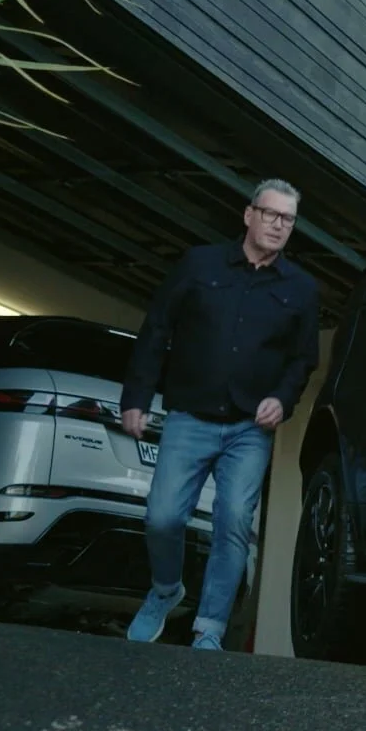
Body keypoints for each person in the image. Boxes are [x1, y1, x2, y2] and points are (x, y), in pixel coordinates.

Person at [119, 179, 321, 650]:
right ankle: (166, 590)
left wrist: (282, 399)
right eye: (270, 214)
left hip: (250, 427)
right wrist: (136, 397)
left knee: (233, 521)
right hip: (190, 415)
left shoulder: (302, 288)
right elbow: (157, 329)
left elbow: (303, 359)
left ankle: (208, 630)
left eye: (287, 219)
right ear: (248, 214)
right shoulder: (199, 263)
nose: (277, 225)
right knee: (163, 518)